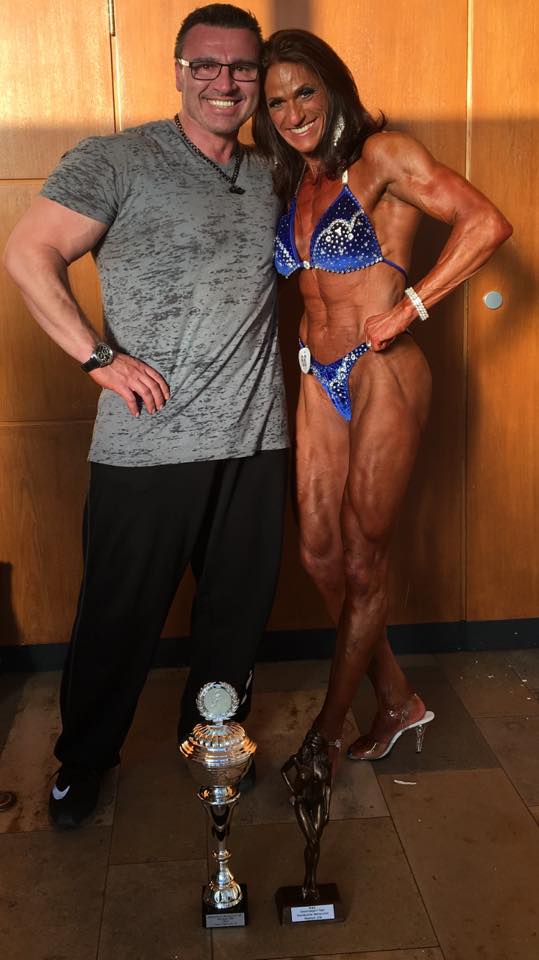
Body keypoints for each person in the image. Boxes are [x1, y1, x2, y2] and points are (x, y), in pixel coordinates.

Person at [3, 4, 289, 829]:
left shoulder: (273, 171)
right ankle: (84, 761)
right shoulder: (116, 159)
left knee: (235, 617)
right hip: (146, 444)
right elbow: (27, 252)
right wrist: (99, 358)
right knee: (117, 620)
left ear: (257, 77)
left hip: (257, 440)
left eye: (240, 67)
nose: (223, 82)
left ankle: (212, 741)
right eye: (206, 65)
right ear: (178, 72)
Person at [252, 30, 512, 771]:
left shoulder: (384, 155)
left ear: (332, 86)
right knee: (319, 553)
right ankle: (397, 700)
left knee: (364, 559)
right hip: (315, 374)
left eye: (305, 91)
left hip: (380, 371)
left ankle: (326, 734)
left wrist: (410, 308)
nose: (294, 111)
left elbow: (487, 224)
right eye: (277, 102)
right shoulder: (294, 181)